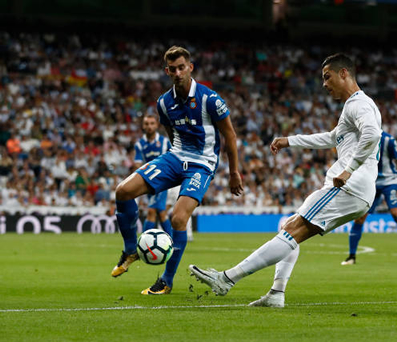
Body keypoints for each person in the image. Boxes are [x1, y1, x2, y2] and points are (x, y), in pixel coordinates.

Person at [190, 53, 382, 307]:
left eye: (328, 77)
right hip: (358, 189)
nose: (324, 84)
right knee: (290, 229)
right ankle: (276, 294)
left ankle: (226, 279)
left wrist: (348, 170)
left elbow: (372, 134)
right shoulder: (352, 107)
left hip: (350, 184)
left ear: (344, 73)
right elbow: (330, 138)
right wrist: (290, 141)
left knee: (291, 229)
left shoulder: (360, 104)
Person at [112, 46, 243, 296]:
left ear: (190, 67)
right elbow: (170, 133)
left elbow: (229, 134)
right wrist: (174, 156)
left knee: (178, 219)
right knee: (123, 191)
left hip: (202, 163)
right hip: (175, 157)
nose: (178, 72)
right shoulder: (164, 103)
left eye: (182, 67)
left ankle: (166, 280)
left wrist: (233, 172)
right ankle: (130, 249)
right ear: (167, 71)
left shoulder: (210, 99)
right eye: (172, 69)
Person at [342, 131, 397, 266]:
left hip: (390, 182)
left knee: (396, 212)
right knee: (360, 217)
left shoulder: (388, 139)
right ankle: (351, 256)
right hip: (370, 182)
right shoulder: (360, 139)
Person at [133, 114, 173, 234]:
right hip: (148, 181)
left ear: (156, 125)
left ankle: (144, 242)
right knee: (161, 213)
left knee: (151, 211)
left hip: (163, 181)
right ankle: (172, 241)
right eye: (146, 124)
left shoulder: (165, 142)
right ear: (143, 126)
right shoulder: (139, 144)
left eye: (152, 123)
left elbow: (173, 159)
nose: (149, 126)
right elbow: (137, 164)